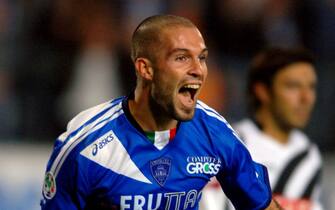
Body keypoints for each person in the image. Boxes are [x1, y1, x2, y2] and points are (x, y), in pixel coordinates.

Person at [40, 15, 281, 210]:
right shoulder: (85, 147)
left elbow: (262, 205)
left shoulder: (213, 131)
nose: (198, 70)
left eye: (202, 58)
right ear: (145, 68)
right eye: (181, 58)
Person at [217, 47, 323, 210]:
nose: (306, 97)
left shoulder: (310, 155)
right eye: (293, 86)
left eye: (311, 87)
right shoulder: (230, 145)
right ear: (263, 91)